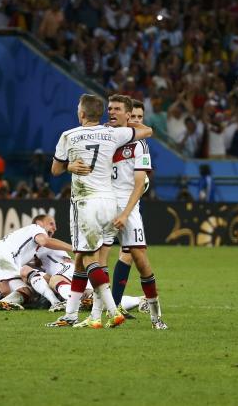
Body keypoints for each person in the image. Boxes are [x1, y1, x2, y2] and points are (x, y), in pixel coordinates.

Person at [47, 93, 153, 328]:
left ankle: (113, 311)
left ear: (82, 113)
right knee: (80, 260)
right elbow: (147, 131)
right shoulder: (114, 134)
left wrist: (68, 166)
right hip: (109, 203)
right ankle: (71, 315)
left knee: (88, 259)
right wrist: (129, 121)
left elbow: (55, 170)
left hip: (86, 202)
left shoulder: (68, 135)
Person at [71, 96, 166, 329]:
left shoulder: (138, 145)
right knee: (98, 260)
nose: (112, 113)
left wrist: (125, 213)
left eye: (117, 110)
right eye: (110, 108)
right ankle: (95, 316)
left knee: (140, 259)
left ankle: (156, 317)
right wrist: (70, 165)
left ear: (127, 115)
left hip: (127, 207)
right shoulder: (103, 135)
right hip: (103, 203)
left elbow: (138, 184)